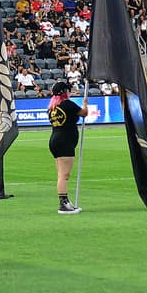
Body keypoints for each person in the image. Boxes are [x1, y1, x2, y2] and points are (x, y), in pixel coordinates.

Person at [47, 81, 88, 214]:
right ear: (65, 92)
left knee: (61, 174)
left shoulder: (52, 107)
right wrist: (85, 103)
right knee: (64, 175)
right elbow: (83, 113)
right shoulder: (67, 104)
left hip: (55, 140)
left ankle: (66, 202)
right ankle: (63, 203)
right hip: (65, 141)